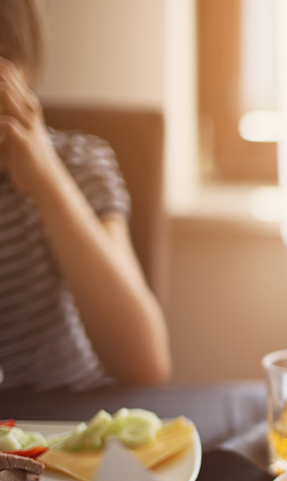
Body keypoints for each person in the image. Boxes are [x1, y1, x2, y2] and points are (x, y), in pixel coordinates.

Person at [0, 0, 170, 390]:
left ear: (25, 70)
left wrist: (46, 178)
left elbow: (144, 363)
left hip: (73, 415)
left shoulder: (80, 163)